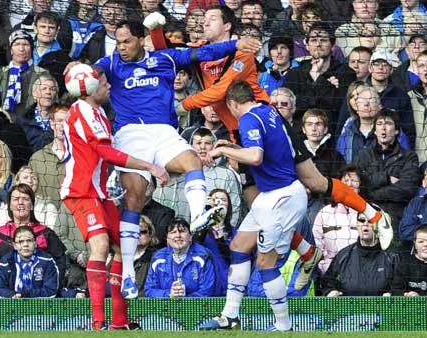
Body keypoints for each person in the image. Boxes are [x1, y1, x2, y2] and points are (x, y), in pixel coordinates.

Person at [145, 10, 393, 252]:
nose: (204, 22)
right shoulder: (201, 51)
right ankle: (307, 252)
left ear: (228, 26)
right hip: (240, 137)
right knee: (256, 204)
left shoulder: (243, 53)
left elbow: (222, 91)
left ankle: (373, 214)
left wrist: (183, 105)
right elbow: (165, 52)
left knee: (315, 183)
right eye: (203, 18)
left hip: (268, 126)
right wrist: (155, 29)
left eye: (212, 19)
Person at [77, 19, 260, 299]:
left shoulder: (166, 58)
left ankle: (199, 216)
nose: (121, 47)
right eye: (118, 42)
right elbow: (91, 72)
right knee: (134, 199)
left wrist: (236, 44)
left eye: (127, 41)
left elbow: (204, 54)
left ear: (142, 39)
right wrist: (78, 71)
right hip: (130, 133)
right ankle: (127, 273)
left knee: (193, 162)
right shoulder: (111, 63)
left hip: (164, 132)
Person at [61, 65, 169, 330]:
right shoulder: (81, 112)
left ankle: (119, 320)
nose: (109, 86)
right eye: (104, 82)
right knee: (99, 246)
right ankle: (98, 322)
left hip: (100, 193)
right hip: (81, 191)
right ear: (90, 87)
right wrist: (149, 166)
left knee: (124, 249)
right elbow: (106, 153)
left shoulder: (98, 113)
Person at [200, 80, 311, 331]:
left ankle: (283, 326)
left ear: (232, 104)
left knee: (265, 262)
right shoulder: (268, 111)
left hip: (282, 197)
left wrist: (222, 153)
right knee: (239, 246)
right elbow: (261, 150)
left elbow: (255, 156)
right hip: (271, 197)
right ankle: (230, 316)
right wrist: (232, 147)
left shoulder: (248, 119)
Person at [0, 184, 67, 299]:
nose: (20, 202)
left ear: (32, 206)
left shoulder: (46, 233)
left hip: (40, 297)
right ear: (9, 205)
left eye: (25, 199)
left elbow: (61, 263)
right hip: (3, 297)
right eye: (15, 199)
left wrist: (52, 290)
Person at [356, 110, 419, 238]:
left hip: (395, 214)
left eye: (388, 123)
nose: (383, 127)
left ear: (396, 130)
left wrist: (372, 193)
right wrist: (386, 178)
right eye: (379, 124)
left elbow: (407, 189)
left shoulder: (409, 157)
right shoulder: (363, 155)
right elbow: (359, 185)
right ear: (374, 130)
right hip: (366, 213)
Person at [321, 213, 396, 297]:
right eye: (362, 220)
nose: (365, 224)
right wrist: (330, 292)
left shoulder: (392, 257)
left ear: (379, 226)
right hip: (348, 309)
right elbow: (327, 283)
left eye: (370, 221)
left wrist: (393, 295)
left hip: (381, 309)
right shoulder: (343, 255)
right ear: (357, 225)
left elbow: (400, 287)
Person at [145, 218, 216, 298]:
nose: (178, 235)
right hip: (166, 307)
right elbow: (149, 290)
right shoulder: (158, 257)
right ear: (167, 239)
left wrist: (183, 299)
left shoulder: (203, 256)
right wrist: (169, 294)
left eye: (182, 231)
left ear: (190, 237)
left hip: (197, 308)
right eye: (173, 232)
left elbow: (207, 291)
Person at [0, 29, 50, 123]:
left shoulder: (43, 74)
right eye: (17, 44)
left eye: (25, 45)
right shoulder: (1, 73)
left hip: (32, 123)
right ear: (11, 50)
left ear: (32, 48)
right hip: (3, 123)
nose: (21, 49)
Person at [313, 164, 360, 275]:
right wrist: (324, 266)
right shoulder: (325, 212)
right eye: (346, 180)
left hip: (362, 271)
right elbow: (316, 244)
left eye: (354, 180)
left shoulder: (371, 211)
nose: (349, 184)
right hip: (331, 271)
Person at [0, 225, 59, 298]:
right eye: (21, 241)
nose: (25, 244)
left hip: (40, 305)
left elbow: (51, 291)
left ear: (35, 243)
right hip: (13, 304)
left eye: (29, 241)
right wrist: (12, 295)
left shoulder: (47, 260)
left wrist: (24, 295)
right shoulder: (6, 261)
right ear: (15, 245)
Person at [193, 188, 236, 296]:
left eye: (223, 200)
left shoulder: (235, 231)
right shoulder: (201, 229)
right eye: (215, 199)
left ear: (229, 206)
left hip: (229, 283)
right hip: (206, 282)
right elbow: (194, 248)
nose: (219, 202)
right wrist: (206, 211)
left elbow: (236, 258)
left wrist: (221, 241)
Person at [0, 165, 57, 229]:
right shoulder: (5, 206)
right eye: (25, 177)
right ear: (17, 182)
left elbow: (52, 233)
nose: (30, 181)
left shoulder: (48, 207)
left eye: (34, 178)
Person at [18, 75, 58, 152]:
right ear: (34, 94)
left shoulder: (65, 116)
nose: (48, 92)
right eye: (44, 89)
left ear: (56, 94)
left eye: (52, 89)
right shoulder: (23, 119)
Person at [390, 224, 427, 296]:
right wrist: (405, 295)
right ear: (415, 244)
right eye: (421, 242)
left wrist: (420, 297)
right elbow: (395, 289)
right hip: (407, 305)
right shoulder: (405, 263)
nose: (425, 244)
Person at [134, 215, 160, 296]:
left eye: (142, 232)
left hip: (146, 303)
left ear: (150, 233)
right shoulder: (121, 256)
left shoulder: (158, 257)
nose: (138, 235)